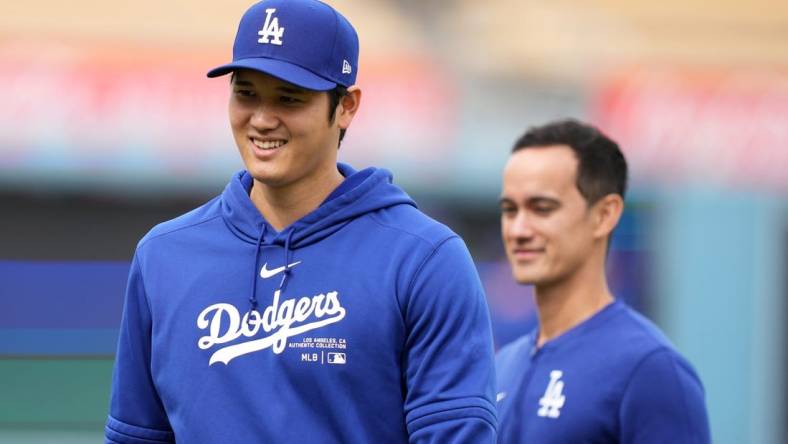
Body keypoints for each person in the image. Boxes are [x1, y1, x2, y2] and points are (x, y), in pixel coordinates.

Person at [104, 1, 497, 442]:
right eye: (246, 92)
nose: (262, 119)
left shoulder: (424, 260)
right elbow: (138, 435)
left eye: (289, 98)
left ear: (346, 107)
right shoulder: (164, 255)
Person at [495, 119, 710, 443]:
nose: (519, 230)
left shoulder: (649, 369)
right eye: (510, 210)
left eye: (542, 208)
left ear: (605, 214)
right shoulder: (501, 366)